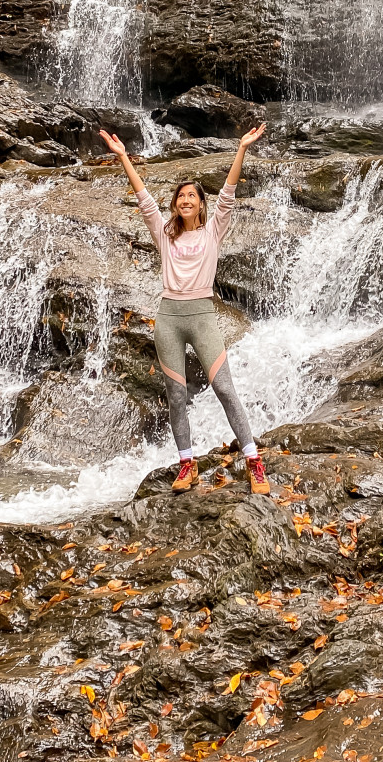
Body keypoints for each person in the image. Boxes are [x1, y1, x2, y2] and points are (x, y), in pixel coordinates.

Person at [98, 124, 270, 495]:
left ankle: (254, 461)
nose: (185, 200)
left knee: (224, 388)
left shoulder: (213, 231)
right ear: (175, 205)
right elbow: (143, 196)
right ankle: (186, 464)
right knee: (176, 396)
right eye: (180, 197)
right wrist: (124, 157)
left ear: (201, 204)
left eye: (192, 196)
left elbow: (228, 192)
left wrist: (241, 148)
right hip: (169, 319)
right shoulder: (164, 233)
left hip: (203, 315)